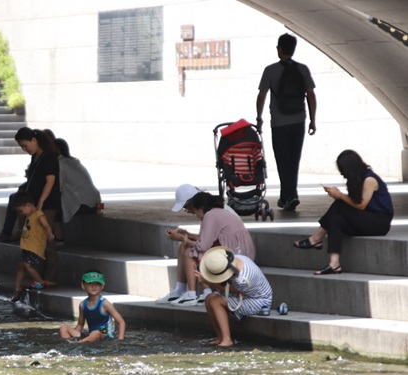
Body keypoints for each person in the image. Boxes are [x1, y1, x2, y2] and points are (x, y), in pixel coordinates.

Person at [293, 150, 394, 275]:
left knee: (340, 204)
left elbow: (362, 205)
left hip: (379, 222)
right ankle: (334, 263)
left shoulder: (369, 179)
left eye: (343, 170)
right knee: (336, 220)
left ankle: (316, 238)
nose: (343, 174)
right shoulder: (356, 179)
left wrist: (339, 195)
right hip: (365, 220)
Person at [157, 188, 256, 307]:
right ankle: (181, 289)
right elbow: (209, 239)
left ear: (200, 207)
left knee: (190, 250)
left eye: (191, 209)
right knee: (185, 245)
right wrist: (186, 235)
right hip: (233, 251)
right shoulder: (215, 212)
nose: (191, 213)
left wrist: (182, 238)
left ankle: (195, 293)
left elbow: (203, 246)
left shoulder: (210, 215)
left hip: (236, 256)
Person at [0, 127, 61, 285]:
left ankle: (49, 278)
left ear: (34, 141)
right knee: (36, 242)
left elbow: (50, 181)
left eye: (25, 145)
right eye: (22, 147)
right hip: (34, 206)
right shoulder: (36, 157)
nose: (24, 149)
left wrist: (41, 202)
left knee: (47, 243)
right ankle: (39, 279)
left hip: (46, 206)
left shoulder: (49, 158)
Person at [256, 33, 317, 211]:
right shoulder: (303, 69)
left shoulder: (270, 70)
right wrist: (313, 120)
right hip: (299, 121)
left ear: (280, 49)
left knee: (283, 160)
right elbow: (311, 95)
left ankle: (290, 195)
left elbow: (262, 96)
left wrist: (259, 117)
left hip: (279, 123)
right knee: (294, 159)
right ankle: (288, 196)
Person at [194, 246, 272, 347]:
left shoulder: (242, 279)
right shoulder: (235, 260)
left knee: (215, 301)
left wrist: (207, 281)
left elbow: (235, 290)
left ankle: (227, 339)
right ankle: (220, 337)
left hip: (259, 301)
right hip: (247, 293)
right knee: (209, 298)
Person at [10, 191, 55, 302]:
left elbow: (46, 226)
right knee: (21, 267)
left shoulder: (38, 214)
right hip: (27, 246)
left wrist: (49, 233)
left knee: (27, 265)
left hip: (34, 247)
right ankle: (17, 289)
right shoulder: (29, 215)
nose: (21, 213)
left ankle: (41, 282)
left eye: (21, 210)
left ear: (28, 205)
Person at [59, 270, 126, 343]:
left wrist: (120, 340)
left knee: (96, 333)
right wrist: (74, 335)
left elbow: (121, 322)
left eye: (97, 283)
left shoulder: (105, 303)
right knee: (64, 328)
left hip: (105, 332)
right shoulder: (82, 305)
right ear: (83, 285)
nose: (94, 286)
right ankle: (69, 343)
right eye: (90, 283)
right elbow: (80, 324)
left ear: (102, 286)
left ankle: (79, 343)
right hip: (91, 333)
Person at [55, 138, 101, 224]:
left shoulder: (60, 163)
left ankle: (57, 236)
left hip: (83, 203)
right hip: (95, 201)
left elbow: (58, 187)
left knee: (52, 212)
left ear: (57, 149)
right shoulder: (75, 161)